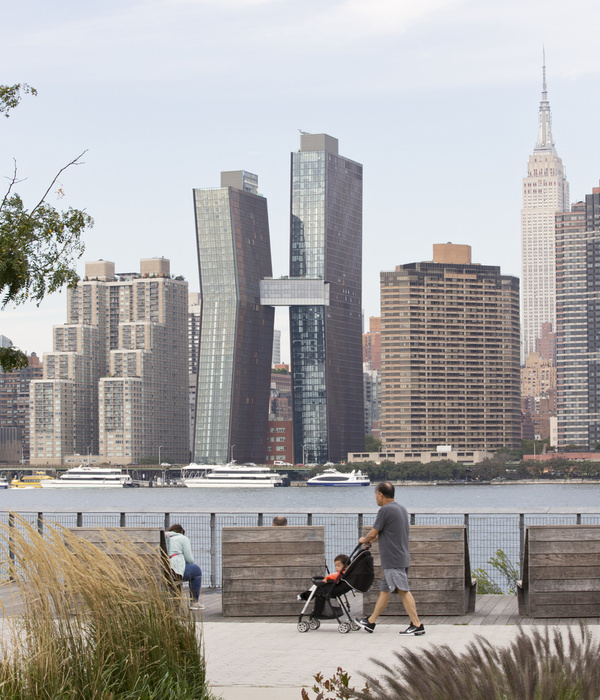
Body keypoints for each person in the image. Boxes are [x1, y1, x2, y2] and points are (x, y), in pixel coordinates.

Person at [355, 482, 425, 635]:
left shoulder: (384, 510)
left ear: (380, 494)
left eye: (375, 494)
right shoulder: (401, 509)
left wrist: (364, 539)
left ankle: (417, 625)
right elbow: (391, 532)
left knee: (403, 590)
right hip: (401, 555)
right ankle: (371, 622)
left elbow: (373, 533)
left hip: (393, 559)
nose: (376, 498)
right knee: (384, 590)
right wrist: (376, 539)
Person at [165, 524, 204, 610]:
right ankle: (194, 601)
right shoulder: (183, 538)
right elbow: (189, 559)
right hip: (175, 571)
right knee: (197, 571)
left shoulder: (165, 537)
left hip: (164, 570)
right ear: (182, 532)